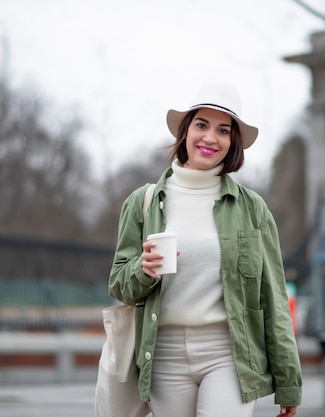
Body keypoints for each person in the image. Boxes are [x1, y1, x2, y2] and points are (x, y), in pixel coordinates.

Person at [109, 82, 302, 417]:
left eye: (223, 130)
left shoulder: (251, 208)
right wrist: (144, 269)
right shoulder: (143, 202)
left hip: (230, 354)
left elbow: (273, 298)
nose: (211, 138)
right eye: (201, 125)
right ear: (186, 131)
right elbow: (118, 284)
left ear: (233, 142)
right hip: (163, 353)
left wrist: (289, 381)